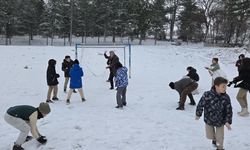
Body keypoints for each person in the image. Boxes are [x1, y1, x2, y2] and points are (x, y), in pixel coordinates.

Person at [196, 77, 232, 150]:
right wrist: (198, 114)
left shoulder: (226, 97)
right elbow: (200, 104)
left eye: (226, 86)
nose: (225, 88)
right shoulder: (207, 95)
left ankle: (219, 147)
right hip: (209, 120)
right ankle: (214, 139)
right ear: (216, 86)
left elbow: (229, 110)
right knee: (210, 136)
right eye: (223, 86)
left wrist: (227, 121)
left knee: (220, 138)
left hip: (220, 121)